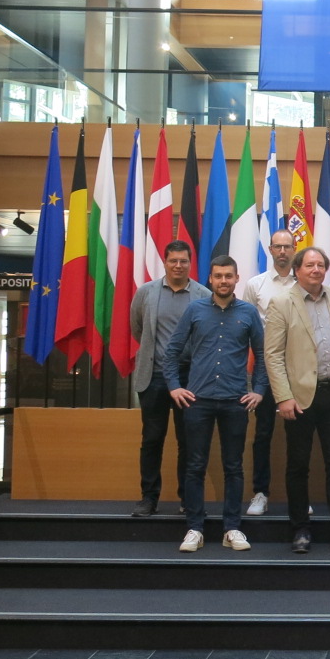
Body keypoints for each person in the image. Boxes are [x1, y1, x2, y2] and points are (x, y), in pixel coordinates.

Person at [264, 247, 330, 555]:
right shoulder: (282, 302)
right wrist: (283, 396)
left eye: (321, 265)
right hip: (298, 398)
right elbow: (272, 356)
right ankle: (300, 530)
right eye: (309, 265)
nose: (316, 270)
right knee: (298, 465)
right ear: (297, 270)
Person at [163, 255, 266, 553]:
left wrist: (259, 390)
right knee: (195, 466)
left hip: (236, 401)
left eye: (228, 276)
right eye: (218, 276)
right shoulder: (194, 310)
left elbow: (262, 355)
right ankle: (195, 528)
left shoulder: (248, 313)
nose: (223, 281)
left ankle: (232, 528)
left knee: (234, 467)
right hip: (198, 401)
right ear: (210, 279)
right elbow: (171, 353)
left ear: (237, 279)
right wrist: (174, 387)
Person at [129, 239, 209, 517]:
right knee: (152, 438)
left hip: (190, 379)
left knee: (188, 441)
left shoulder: (202, 294)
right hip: (154, 377)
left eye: (183, 261)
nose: (178, 265)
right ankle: (148, 498)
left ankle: (187, 499)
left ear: (190, 263)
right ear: (165, 262)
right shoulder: (146, 293)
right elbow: (138, 329)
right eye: (173, 260)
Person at [239, 228, 297, 516]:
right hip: (265, 368)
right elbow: (247, 329)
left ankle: (298, 496)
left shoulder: (305, 282)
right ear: (271, 250)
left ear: (294, 249)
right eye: (278, 247)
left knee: (299, 435)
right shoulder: (255, 285)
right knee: (263, 434)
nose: (283, 252)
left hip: (299, 369)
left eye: (288, 246)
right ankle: (260, 493)